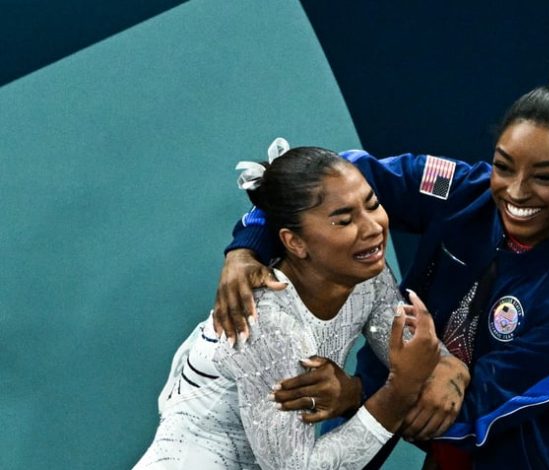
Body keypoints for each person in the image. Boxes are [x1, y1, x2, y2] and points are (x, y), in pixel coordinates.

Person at [216, 44, 549, 469]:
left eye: (545, 177)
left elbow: (477, 412)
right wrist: (249, 244)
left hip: (506, 452)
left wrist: (355, 395)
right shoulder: (460, 190)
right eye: (503, 166)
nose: (516, 192)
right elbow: (323, 178)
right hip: (390, 397)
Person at [134, 146, 454, 469]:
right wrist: (398, 393)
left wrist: (446, 367)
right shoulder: (270, 322)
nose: (372, 228)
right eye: (344, 221)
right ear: (295, 243)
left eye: (373, 205)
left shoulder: (367, 278)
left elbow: (415, 356)